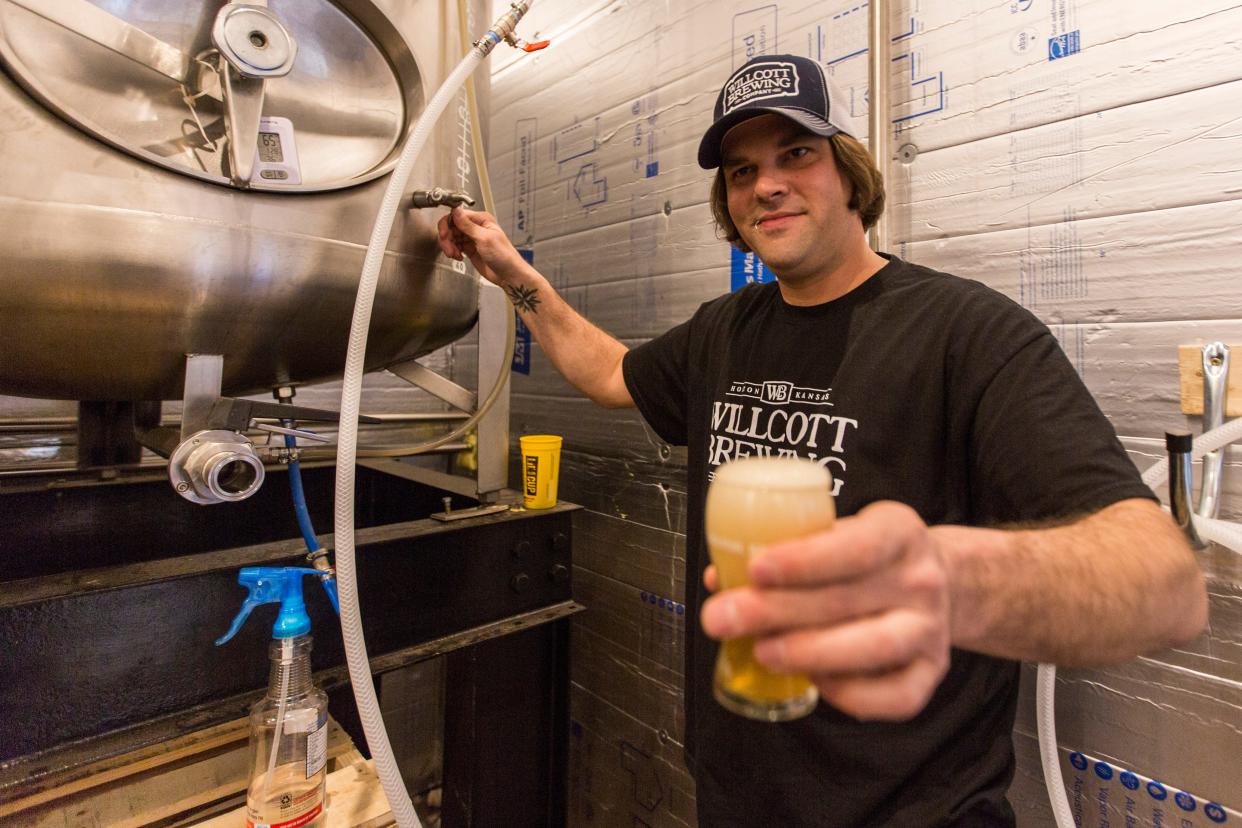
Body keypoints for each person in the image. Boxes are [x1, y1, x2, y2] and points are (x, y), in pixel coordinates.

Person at [437, 54, 1207, 826]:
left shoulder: (966, 334)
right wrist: (509, 271)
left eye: (796, 154)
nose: (765, 184)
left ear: (850, 171)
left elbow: (1164, 583)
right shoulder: (723, 331)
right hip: (736, 795)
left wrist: (944, 582)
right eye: (741, 171)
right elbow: (610, 372)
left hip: (909, 811)